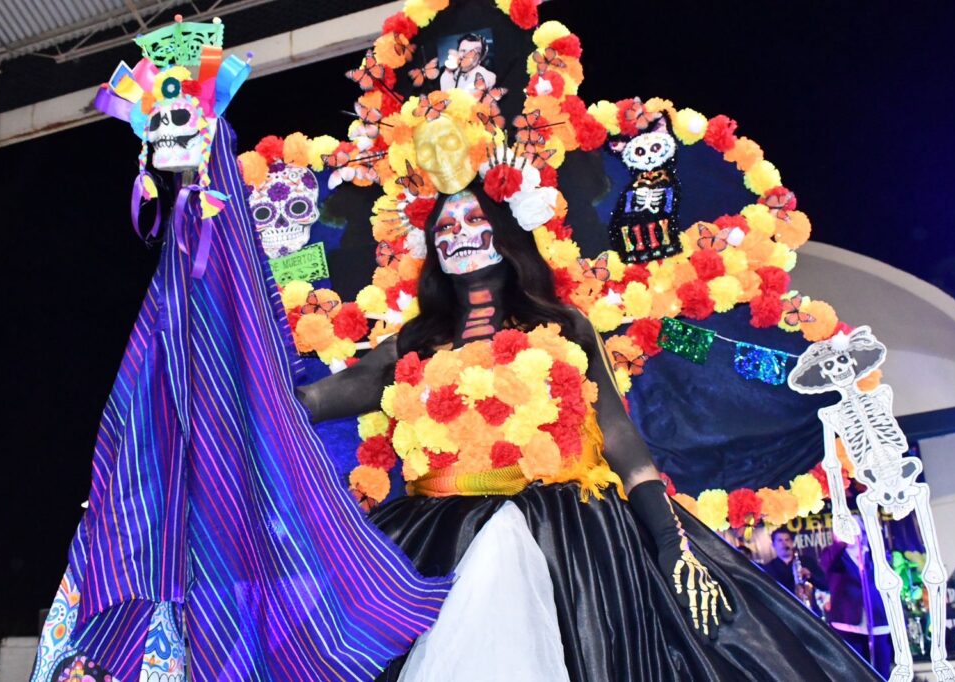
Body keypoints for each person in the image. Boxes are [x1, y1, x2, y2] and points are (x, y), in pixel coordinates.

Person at [296, 178, 883, 681]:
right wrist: (276, 398)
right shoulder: (413, 341)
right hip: (438, 532)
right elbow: (328, 395)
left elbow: (619, 435)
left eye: (474, 219)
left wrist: (668, 539)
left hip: (570, 534)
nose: (458, 234)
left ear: (507, 234)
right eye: (445, 227)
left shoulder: (565, 326)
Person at [821, 516, 893, 678]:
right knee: (854, 673)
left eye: (854, 528)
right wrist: (841, 542)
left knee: (881, 671)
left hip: (877, 620)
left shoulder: (875, 554)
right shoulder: (835, 555)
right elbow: (826, 564)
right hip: (847, 623)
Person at [765, 527, 829, 614]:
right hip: (785, 613)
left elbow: (825, 585)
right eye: (780, 540)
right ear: (773, 545)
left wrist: (810, 576)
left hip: (810, 612)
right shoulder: (769, 568)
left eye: (787, 540)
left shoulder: (807, 562)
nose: (784, 544)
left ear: (792, 543)